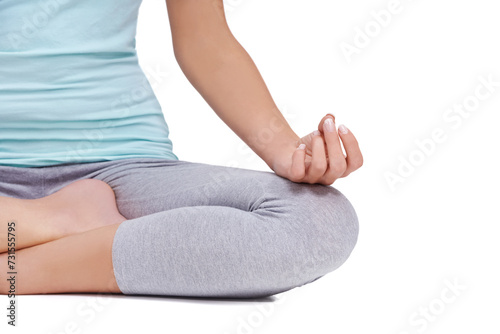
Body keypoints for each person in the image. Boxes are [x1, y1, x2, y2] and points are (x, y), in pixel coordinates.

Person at [0, 0, 362, 298]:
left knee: (318, 220)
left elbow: (205, 40)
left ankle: (17, 272)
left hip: (123, 169)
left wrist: (287, 151)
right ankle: (56, 224)